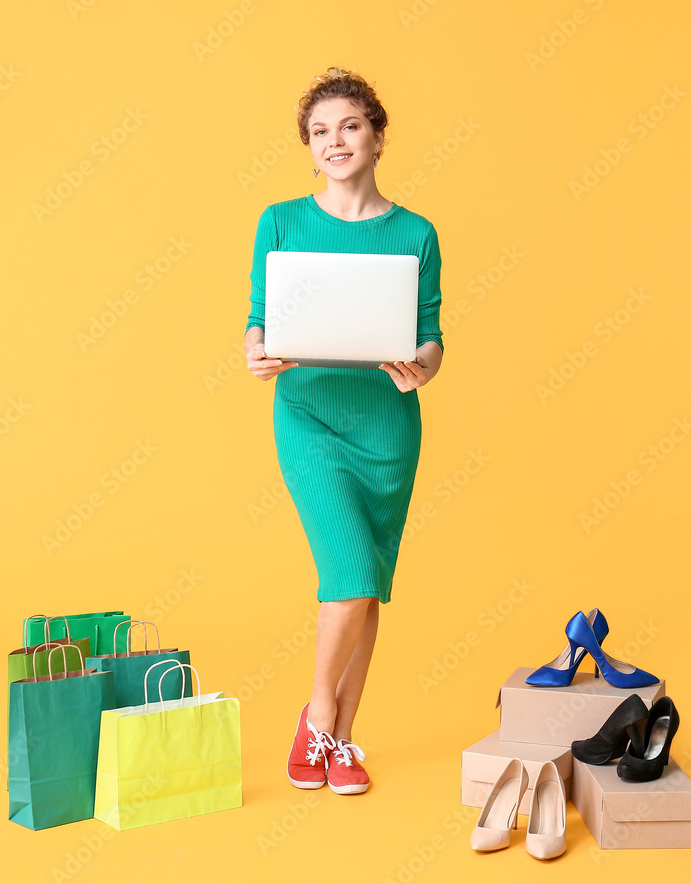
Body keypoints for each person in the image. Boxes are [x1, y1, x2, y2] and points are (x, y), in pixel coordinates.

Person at [243, 66, 444, 795]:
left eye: (350, 126)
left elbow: (431, 335)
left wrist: (422, 366)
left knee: (366, 590)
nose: (335, 141)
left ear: (378, 137)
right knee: (349, 572)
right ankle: (320, 714)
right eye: (320, 131)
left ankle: (342, 744)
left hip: (387, 426)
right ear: (308, 146)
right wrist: (254, 347)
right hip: (308, 416)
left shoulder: (415, 232)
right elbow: (258, 315)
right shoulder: (281, 221)